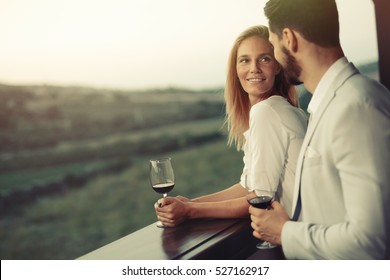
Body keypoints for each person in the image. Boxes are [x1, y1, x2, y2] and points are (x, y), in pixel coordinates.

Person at [249, 0, 390, 259]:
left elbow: (371, 242)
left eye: (273, 45)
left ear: (289, 39)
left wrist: (285, 232)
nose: (277, 59)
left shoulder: (355, 107)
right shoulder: (331, 103)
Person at [154, 25, 307, 227]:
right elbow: (247, 187)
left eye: (264, 59)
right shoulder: (276, 108)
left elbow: (260, 198)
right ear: (235, 69)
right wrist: (189, 202)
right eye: (245, 60)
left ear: (277, 66)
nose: (254, 68)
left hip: (299, 240)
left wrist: (190, 211)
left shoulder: (267, 112)